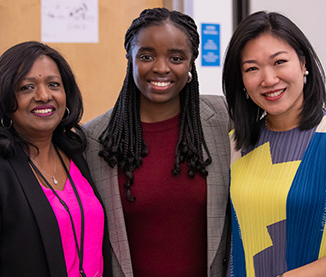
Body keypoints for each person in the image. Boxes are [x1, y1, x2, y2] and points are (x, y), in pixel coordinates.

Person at [222, 11, 326, 277]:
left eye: (279, 62)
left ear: (303, 63)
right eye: (252, 68)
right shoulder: (234, 143)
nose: (269, 79)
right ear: (241, 81)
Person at [83, 7, 231, 276]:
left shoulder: (221, 119)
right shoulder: (94, 139)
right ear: (130, 58)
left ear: (190, 63)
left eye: (176, 57)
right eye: (147, 56)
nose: (161, 68)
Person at [0, 41, 111, 277]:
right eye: (26, 87)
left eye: (54, 85)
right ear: (4, 99)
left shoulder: (77, 152)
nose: (44, 95)